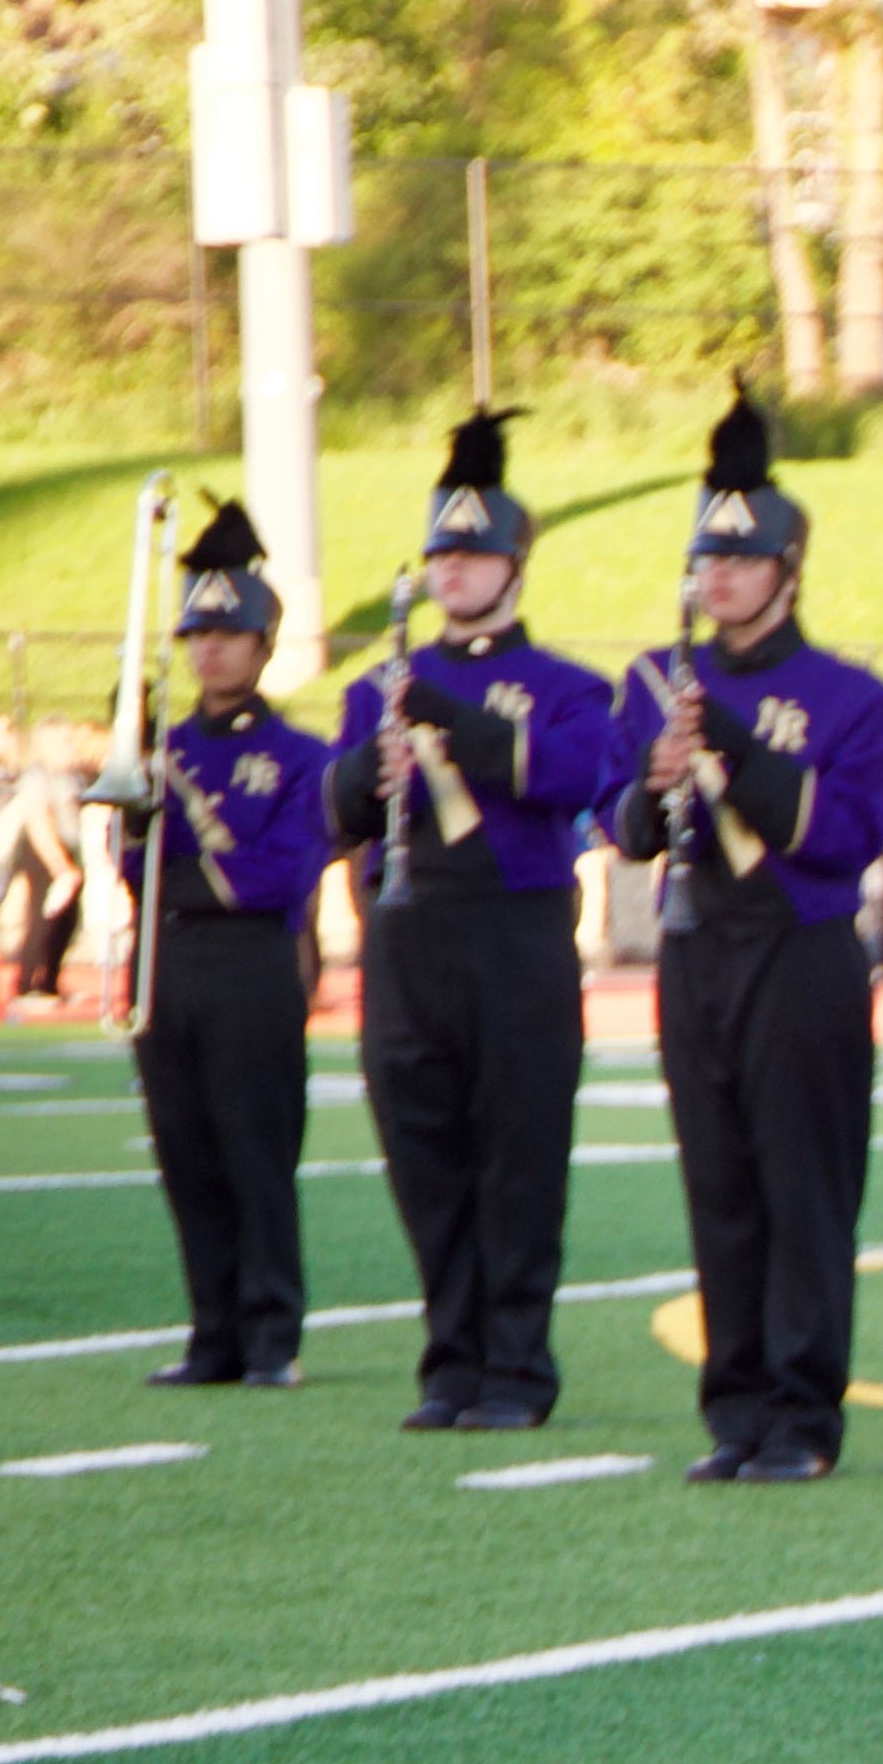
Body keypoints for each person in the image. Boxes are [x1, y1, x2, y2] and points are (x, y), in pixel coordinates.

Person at [610, 394, 883, 1483]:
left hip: (801, 949)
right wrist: (653, 785)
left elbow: (846, 834)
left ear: (787, 569)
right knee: (719, 1183)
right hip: (697, 945)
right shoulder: (655, 682)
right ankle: (734, 1408)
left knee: (802, 1184)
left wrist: (725, 744)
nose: (718, 577)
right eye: (705, 559)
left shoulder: (848, 695)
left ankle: (803, 1413)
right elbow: (623, 825)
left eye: (741, 559)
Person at [332, 410, 616, 1433]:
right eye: (443, 552)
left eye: (475, 553)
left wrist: (451, 722)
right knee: (423, 1147)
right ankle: (450, 1357)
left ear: (515, 566)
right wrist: (375, 767)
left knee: (518, 1153)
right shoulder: (377, 689)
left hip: (516, 933)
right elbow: (337, 810)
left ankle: (516, 1366)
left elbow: (578, 775)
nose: (453, 570)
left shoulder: (569, 685)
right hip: (407, 934)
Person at [98, 496, 335, 1384]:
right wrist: (136, 815)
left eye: (229, 633)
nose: (209, 647)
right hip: (168, 960)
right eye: (197, 632)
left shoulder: (300, 755)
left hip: (251, 962)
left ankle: (272, 1335)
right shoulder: (160, 750)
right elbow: (129, 870)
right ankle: (213, 1333)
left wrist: (184, 854)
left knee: (256, 1150)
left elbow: (281, 872)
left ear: (263, 645)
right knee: (186, 1151)